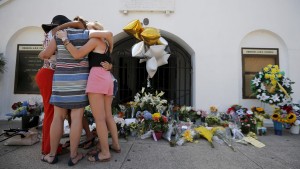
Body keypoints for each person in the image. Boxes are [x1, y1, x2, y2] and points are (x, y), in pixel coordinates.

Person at [56, 21, 120, 162]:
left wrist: (65, 39)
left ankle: (105, 153)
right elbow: (105, 60)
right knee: (108, 116)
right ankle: (115, 144)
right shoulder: (107, 44)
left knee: (100, 119)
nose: (85, 33)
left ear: (95, 31)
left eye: (88, 30)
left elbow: (77, 54)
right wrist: (110, 66)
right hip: (107, 78)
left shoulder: (95, 40)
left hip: (97, 79)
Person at [39, 21, 91, 166]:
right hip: (79, 81)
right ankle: (73, 156)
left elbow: (45, 55)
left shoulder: (58, 35)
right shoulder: (87, 35)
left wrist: (41, 53)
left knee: (58, 117)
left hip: (61, 81)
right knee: (76, 118)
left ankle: (51, 155)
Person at [35, 15, 72, 156]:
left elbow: (42, 54)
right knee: (51, 112)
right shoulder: (56, 35)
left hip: (46, 73)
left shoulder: (49, 34)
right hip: (49, 74)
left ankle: (50, 146)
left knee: (52, 112)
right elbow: (46, 54)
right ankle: (49, 149)